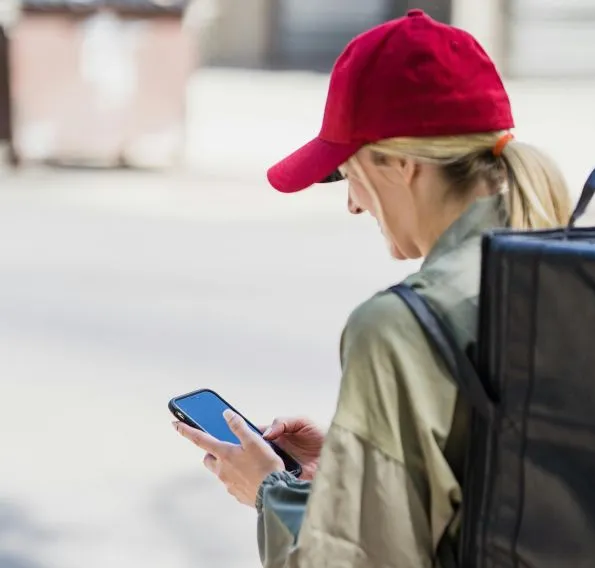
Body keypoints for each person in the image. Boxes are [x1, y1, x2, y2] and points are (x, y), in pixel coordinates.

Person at [173, 9, 571, 567]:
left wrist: (271, 490)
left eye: (348, 170)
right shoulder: (572, 268)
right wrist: (350, 464)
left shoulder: (402, 327)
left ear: (402, 164)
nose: (353, 202)